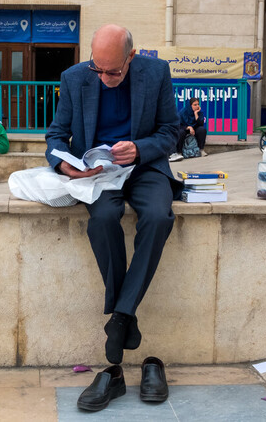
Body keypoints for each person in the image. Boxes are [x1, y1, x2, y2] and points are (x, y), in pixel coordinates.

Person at [45, 24, 180, 411]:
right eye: (97, 69)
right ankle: (126, 317)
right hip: (98, 173)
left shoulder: (157, 73)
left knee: (157, 216)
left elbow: (171, 131)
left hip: (145, 167)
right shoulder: (74, 78)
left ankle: (120, 315)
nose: (104, 78)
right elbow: (56, 137)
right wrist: (65, 165)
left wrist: (139, 148)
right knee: (103, 219)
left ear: (132, 58)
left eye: (113, 72)